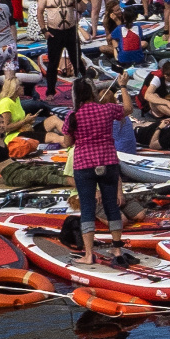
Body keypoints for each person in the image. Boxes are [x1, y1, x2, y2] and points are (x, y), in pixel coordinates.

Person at [70, 76, 128, 260]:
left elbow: (67, 141)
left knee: (87, 208)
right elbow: (128, 109)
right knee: (111, 205)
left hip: (84, 164)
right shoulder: (107, 109)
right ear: (93, 92)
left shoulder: (73, 116)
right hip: (108, 161)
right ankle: (117, 249)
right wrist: (124, 86)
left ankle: (88, 255)